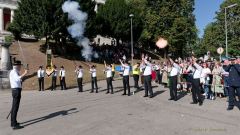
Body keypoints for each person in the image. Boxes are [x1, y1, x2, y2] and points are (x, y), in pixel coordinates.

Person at [9, 61, 28, 129]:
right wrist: (25, 73)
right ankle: (13, 124)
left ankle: (14, 121)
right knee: (15, 108)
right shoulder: (13, 72)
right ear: (17, 66)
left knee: (15, 107)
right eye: (20, 66)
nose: (20, 67)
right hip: (16, 91)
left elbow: (19, 80)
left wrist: (21, 78)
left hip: (17, 90)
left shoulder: (16, 72)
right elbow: (17, 79)